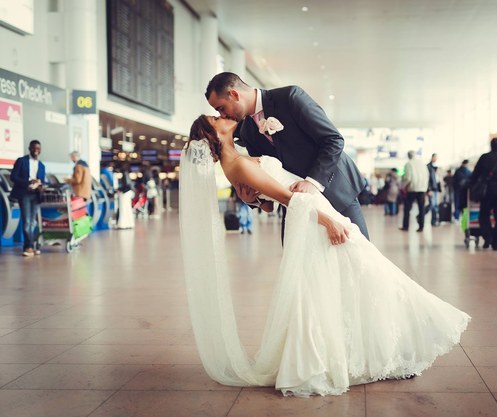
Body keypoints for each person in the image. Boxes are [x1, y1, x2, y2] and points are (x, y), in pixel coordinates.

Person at [179, 115, 470, 397]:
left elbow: (267, 201)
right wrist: (328, 221)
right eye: (215, 119)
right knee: (363, 273)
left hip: (314, 212)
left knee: (352, 276)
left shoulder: (238, 156)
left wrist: (253, 198)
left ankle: (371, 349)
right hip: (314, 217)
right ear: (212, 134)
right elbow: (286, 198)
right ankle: (381, 348)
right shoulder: (237, 164)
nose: (222, 116)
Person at [205, 72, 369, 240]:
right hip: (296, 208)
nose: (222, 115)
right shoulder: (247, 132)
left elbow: (333, 139)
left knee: (361, 258)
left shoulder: (290, 97)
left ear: (234, 94)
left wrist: (312, 182)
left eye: (221, 108)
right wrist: (254, 200)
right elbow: (268, 179)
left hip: (336, 192)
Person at [468, 138, 497, 251]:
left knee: (484, 216)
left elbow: (475, 175)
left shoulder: (484, 157)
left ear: (491, 146)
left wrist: (471, 186)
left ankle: (488, 238)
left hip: (488, 192)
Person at [9, 140, 46, 256]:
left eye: (38, 148)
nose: (36, 150)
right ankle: (28, 247)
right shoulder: (21, 161)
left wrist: (41, 186)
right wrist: (27, 182)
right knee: (27, 222)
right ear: (29, 148)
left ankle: (33, 245)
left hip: (36, 195)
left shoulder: (41, 165)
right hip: (24, 194)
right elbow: (13, 177)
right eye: (34, 148)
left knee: (33, 223)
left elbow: (42, 180)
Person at [400, 150, 429, 232]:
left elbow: (408, 178)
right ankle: (421, 226)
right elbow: (427, 176)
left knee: (407, 208)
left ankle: (406, 226)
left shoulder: (409, 164)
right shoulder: (423, 164)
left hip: (412, 189)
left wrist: (404, 187)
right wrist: (425, 188)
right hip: (422, 189)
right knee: (421, 208)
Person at [426, 154, 440, 226]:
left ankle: (434, 221)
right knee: (433, 205)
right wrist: (429, 190)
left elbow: (436, 180)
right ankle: (433, 221)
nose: (436, 159)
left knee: (434, 205)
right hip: (431, 189)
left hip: (435, 189)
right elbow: (427, 179)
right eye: (435, 157)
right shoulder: (428, 167)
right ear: (432, 157)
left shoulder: (434, 167)